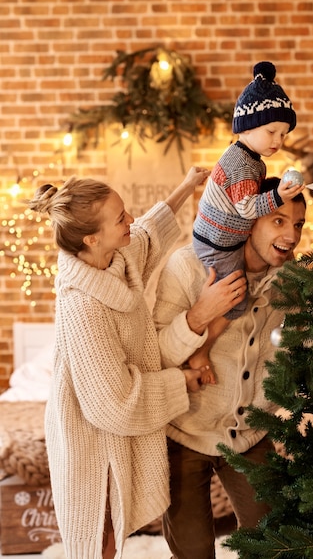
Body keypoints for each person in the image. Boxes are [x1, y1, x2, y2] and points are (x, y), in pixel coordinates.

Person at [26, 166, 210, 559]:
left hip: (110, 423)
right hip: (87, 433)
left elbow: (147, 232)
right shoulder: (82, 304)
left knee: (115, 530)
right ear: (92, 237)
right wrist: (182, 381)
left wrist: (187, 185)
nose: (130, 220)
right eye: (120, 218)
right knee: (98, 539)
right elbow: (114, 401)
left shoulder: (115, 256)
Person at [154, 180, 307, 559]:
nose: (292, 235)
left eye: (299, 224)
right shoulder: (188, 265)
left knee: (274, 546)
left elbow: (306, 351)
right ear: (250, 220)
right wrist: (199, 315)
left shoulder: (295, 283)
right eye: (279, 220)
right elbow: (156, 355)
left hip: (251, 434)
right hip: (184, 432)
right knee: (191, 552)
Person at [191, 61, 303, 383]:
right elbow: (245, 208)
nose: (278, 140)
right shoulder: (241, 162)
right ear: (246, 127)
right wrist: (279, 197)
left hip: (226, 236)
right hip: (217, 242)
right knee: (236, 297)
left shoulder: (250, 159)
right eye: (271, 131)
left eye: (283, 133)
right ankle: (202, 349)